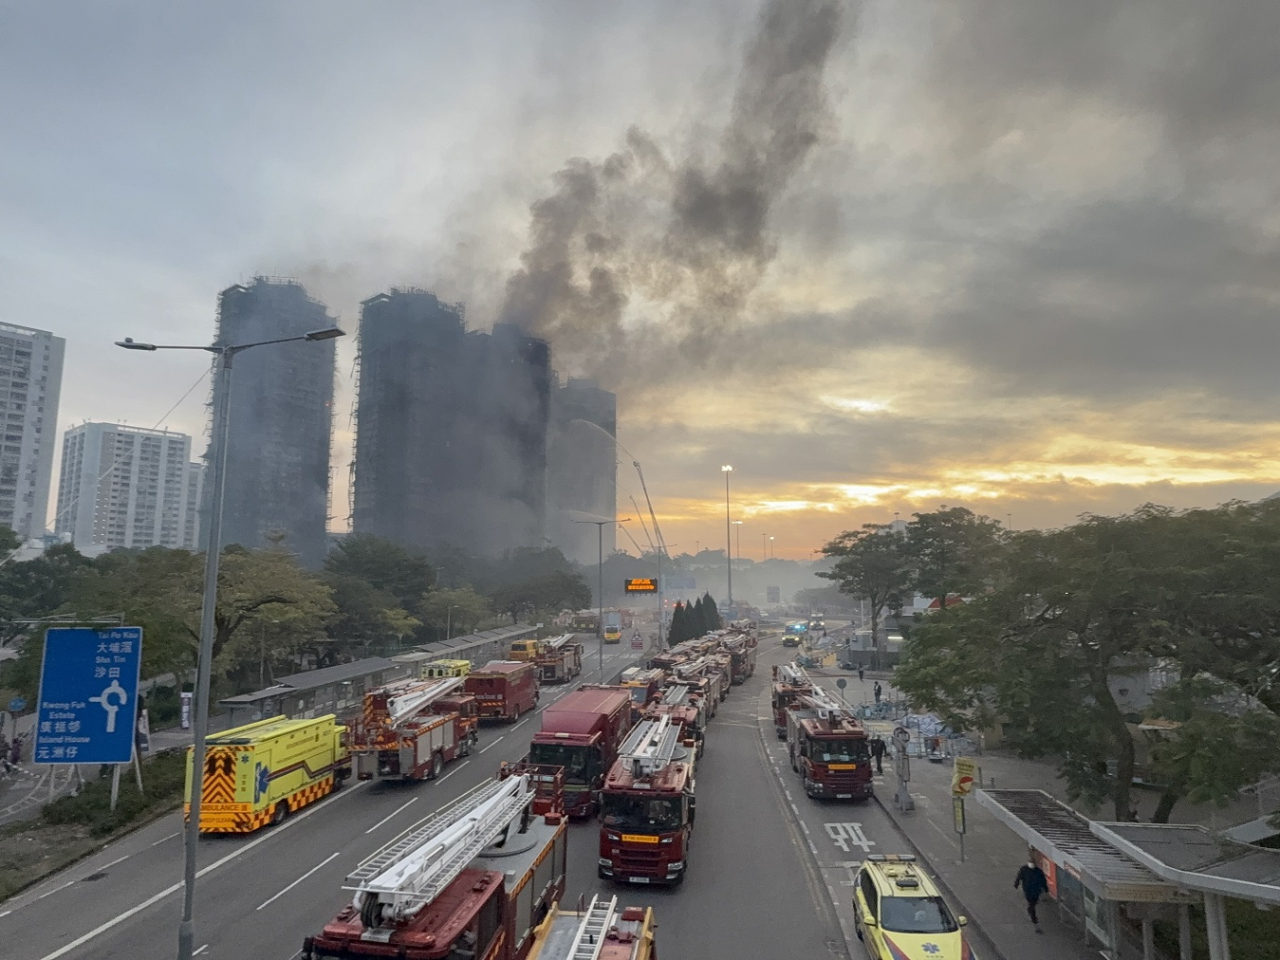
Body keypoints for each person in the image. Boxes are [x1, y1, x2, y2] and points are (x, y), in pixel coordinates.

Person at [1014, 857, 1049, 931]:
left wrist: (1045, 889)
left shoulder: (1038, 871)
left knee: (1033, 903)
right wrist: (1016, 884)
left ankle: (1030, 910)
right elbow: (1019, 877)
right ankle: (1034, 918)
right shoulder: (1024, 869)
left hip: (1036, 891)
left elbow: (1043, 880)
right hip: (1028, 890)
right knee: (1032, 903)